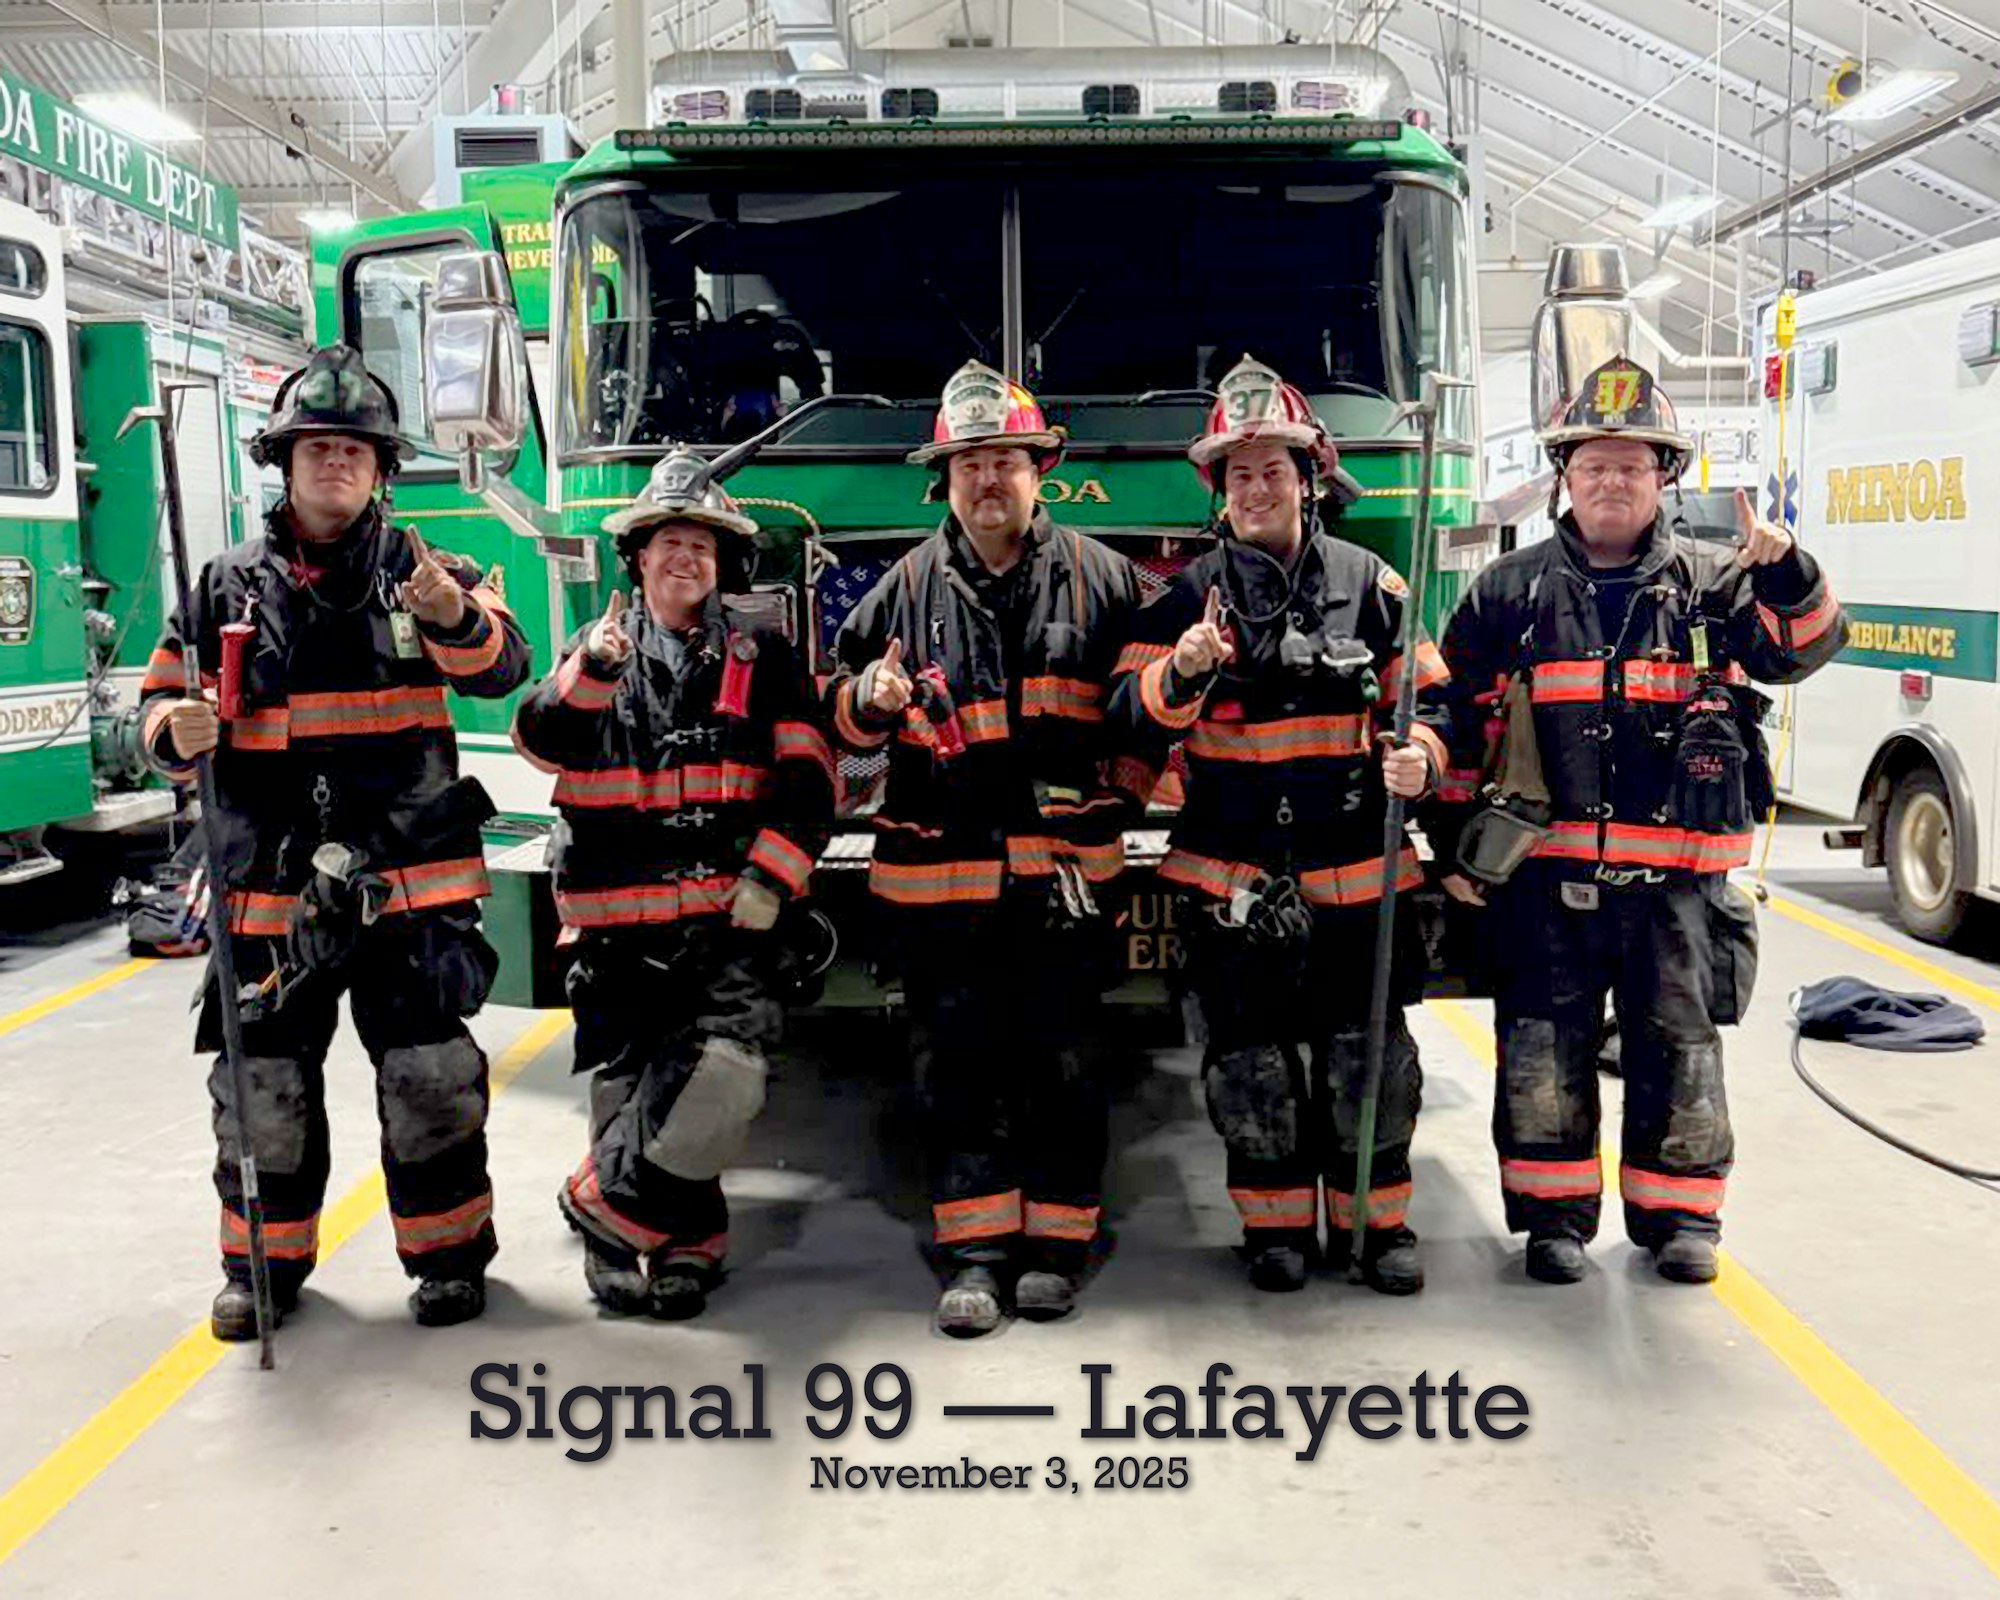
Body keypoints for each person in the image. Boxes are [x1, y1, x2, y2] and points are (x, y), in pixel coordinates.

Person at [138, 344, 530, 1338]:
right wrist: (172, 731)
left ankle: (448, 1260)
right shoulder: (222, 585)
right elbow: (154, 706)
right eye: (316, 446)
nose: (336, 462)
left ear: (381, 469)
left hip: (408, 886)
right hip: (267, 890)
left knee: (430, 1078)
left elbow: (503, 669)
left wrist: (451, 615)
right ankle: (262, 1270)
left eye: (355, 449)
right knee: (261, 1089)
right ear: (283, 460)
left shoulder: (433, 573)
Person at [1431, 355, 1844, 1285]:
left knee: (1680, 1055)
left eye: (1631, 464)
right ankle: (1552, 1219)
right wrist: (1451, 844)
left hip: (1678, 892)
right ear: (1564, 476)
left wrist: (1788, 572)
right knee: (1542, 1052)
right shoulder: (1507, 593)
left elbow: (1804, 650)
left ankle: (1681, 1219)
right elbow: (1451, 721)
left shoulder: (1718, 583)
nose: (1611, 481)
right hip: (1546, 886)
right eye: (1593, 464)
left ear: (1665, 477)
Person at [1112, 356, 1449, 1295]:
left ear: (1310, 477)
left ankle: (1378, 1228)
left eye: (1273, 469)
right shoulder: (1182, 599)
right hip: (1233, 889)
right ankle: (1274, 1234)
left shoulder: (1375, 585)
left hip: (1358, 883)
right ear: (1218, 493)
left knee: (1368, 1065)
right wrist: (1180, 672)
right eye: (1239, 473)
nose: (1256, 487)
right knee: (1250, 1070)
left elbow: (1433, 703)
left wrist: (1422, 756)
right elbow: (1126, 721)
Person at [826, 360, 1145, 1337]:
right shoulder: (898, 592)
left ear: (1039, 469)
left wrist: (1117, 802)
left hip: (1063, 888)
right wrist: (868, 701)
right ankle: (974, 1253)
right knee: (954, 1070)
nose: (987, 479)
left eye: (1004, 460)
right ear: (945, 481)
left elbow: (1149, 719)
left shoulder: (1108, 580)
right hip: (942, 895)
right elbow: (837, 721)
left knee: (1065, 1065)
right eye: (969, 464)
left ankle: (1057, 1250)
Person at [513, 451, 834, 1320]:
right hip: (616, 928)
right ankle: (642, 1243)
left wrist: (771, 878)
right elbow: (540, 744)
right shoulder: (595, 653)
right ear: (639, 559)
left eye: (701, 544)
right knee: (628, 1080)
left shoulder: (766, 659)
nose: (685, 558)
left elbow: (811, 782)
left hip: (727, 922)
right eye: (668, 544)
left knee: (720, 1080)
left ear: (722, 562)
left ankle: (613, 1215)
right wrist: (592, 671)